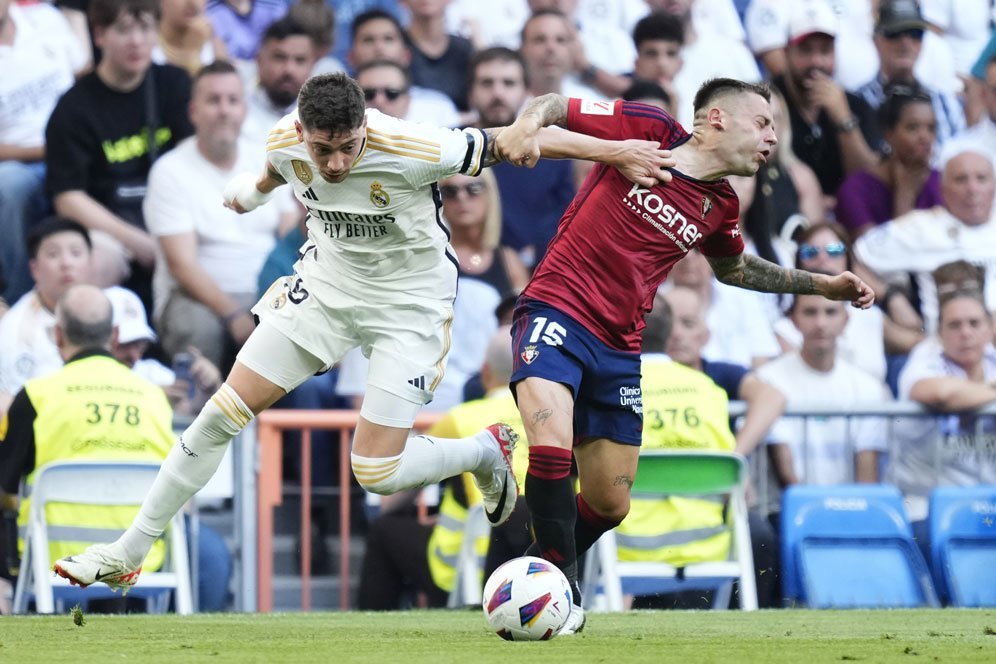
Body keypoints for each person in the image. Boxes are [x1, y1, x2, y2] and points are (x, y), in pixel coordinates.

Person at [52, 71, 676, 593]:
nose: (337, 162)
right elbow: (269, 177)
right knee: (219, 416)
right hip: (326, 289)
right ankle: (128, 550)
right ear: (301, 132)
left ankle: (485, 451)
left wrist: (619, 152)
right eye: (323, 150)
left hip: (409, 303)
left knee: (373, 472)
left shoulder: (412, 144)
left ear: (365, 130)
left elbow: (517, 139)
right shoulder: (284, 144)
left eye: (349, 147)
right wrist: (245, 196)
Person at [498, 77, 875, 634]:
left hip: (621, 345)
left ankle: (518, 579)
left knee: (609, 504)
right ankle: (559, 595)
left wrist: (823, 286)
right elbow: (558, 104)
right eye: (764, 123)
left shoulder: (718, 206)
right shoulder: (649, 130)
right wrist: (527, 125)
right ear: (717, 119)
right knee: (551, 447)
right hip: (556, 308)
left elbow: (737, 270)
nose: (772, 137)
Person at [0, 285, 231, 612]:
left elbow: (6, 487)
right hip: (139, 562)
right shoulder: (154, 399)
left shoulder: (36, 396)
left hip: (55, 560)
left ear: (57, 335)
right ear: (114, 333)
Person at [144, 60, 293, 371]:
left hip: (265, 287)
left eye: (233, 100)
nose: (224, 110)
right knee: (201, 329)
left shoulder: (267, 158)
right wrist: (234, 315)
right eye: (213, 100)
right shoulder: (170, 170)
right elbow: (182, 265)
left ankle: (284, 420)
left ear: (244, 110)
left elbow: (290, 233)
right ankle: (195, 416)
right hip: (194, 297)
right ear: (193, 112)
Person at [45, 0, 194, 302]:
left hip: (176, 215)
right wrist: (136, 241)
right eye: (124, 29)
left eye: (145, 28)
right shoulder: (72, 108)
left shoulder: (175, 84)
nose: (137, 41)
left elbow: (196, 160)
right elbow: (68, 197)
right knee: (89, 269)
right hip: (110, 229)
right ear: (99, 35)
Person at [756, 292, 892, 522]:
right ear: (793, 320)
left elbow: (867, 475)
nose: (820, 323)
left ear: (845, 320)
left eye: (830, 312)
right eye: (810, 312)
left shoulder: (868, 388)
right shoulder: (768, 380)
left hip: (851, 511)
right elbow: (786, 472)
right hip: (791, 512)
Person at [887, 288, 996, 551]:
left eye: (974, 323)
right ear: (940, 333)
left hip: (987, 503)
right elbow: (939, 393)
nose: (965, 333)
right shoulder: (926, 357)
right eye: (955, 325)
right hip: (924, 504)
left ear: (990, 328)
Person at [853, 150, 996, 335]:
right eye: (961, 179)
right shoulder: (918, 228)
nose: (972, 189)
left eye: (981, 179)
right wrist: (890, 296)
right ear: (942, 190)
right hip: (943, 348)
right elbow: (848, 259)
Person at [0, 0, 85, 303]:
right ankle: (22, 299)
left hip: (79, 145)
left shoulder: (48, 20)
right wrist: (43, 150)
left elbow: (84, 74)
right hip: (22, 162)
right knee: (9, 185)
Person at [0, 218, 93, 415]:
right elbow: (23, 406)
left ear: (91, 262)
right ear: (34, 269)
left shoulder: (117, 303)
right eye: (53, 254)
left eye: (76, 253)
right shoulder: (16, 329)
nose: (66, 263)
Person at [836, 84, 943, 237]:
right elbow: (876, 254)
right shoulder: (856, 189)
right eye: (913, 128)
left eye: (931, 128)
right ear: (889, 133)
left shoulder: (941, 183)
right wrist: (905, 197)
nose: (924, 137)